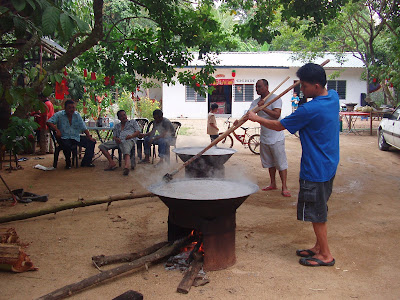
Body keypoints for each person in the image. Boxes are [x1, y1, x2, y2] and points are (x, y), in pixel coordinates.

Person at [245, 63, 339, 267]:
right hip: (329, 164)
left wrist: (255, 118)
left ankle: (325, 255)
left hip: (316, 168)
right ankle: (318, 247)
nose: (300, 90)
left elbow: (279, 125)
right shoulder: (332, 97)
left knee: (317, 213)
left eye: (303, 86)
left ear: (315, 85)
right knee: (320, 208)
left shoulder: (310, 109)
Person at [237, 79, 290, 197]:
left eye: (260, 87)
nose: (257, 89)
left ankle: (285, 186)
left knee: (280, 162)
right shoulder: (255, 102)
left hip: (276, 135)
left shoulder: (275, 98)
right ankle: (273, 183)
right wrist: (239, 121)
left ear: (266, 86)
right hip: (265, 136)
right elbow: (248, 114)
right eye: (256, 87)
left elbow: (276, 115)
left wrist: (263, 107)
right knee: (269, 162)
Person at [47, 99, 96, 169]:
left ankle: (86, 162)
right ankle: (68, 162)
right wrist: (56, 130)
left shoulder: (77, 115)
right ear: (65, 108)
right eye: (69, 108)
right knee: (66, 145)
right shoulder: (59, 114)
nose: (71, 109)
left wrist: (89, 137)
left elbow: (83, 127)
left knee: (91, 142)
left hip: (75, 137)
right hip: (64, 137)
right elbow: (49, 122)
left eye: (73, 107)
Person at [98, 110, 140, 176]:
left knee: (126, 148)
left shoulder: (132, 122)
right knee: (102, 146)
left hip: (128, 140)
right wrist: (116, 139)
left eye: (124, 115)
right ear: (119, 118)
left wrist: (131, 136)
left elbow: (138, 132)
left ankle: (126, 167)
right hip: (118, 141)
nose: (124, 117)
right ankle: (112, 163)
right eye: (121, 116)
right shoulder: (117, 126)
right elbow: (114, 136)